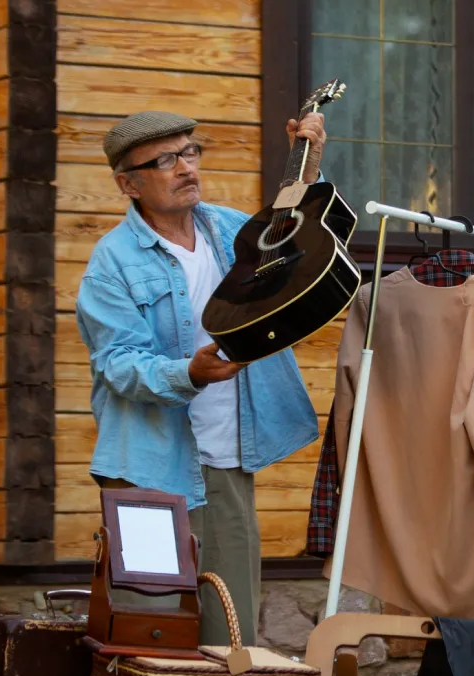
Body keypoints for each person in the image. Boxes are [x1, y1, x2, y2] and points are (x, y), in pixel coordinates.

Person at [75, 110, 327, 646]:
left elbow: (297, 246)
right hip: (147, 471)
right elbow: (117, 362)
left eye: (190, 151)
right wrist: (188, 372)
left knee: (230, 632)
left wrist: (307, 174)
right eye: (165, 160)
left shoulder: (232, 229)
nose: (185, 167)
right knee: (152, 628)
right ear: (129, 183)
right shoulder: (111, 263)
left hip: (227, 464)